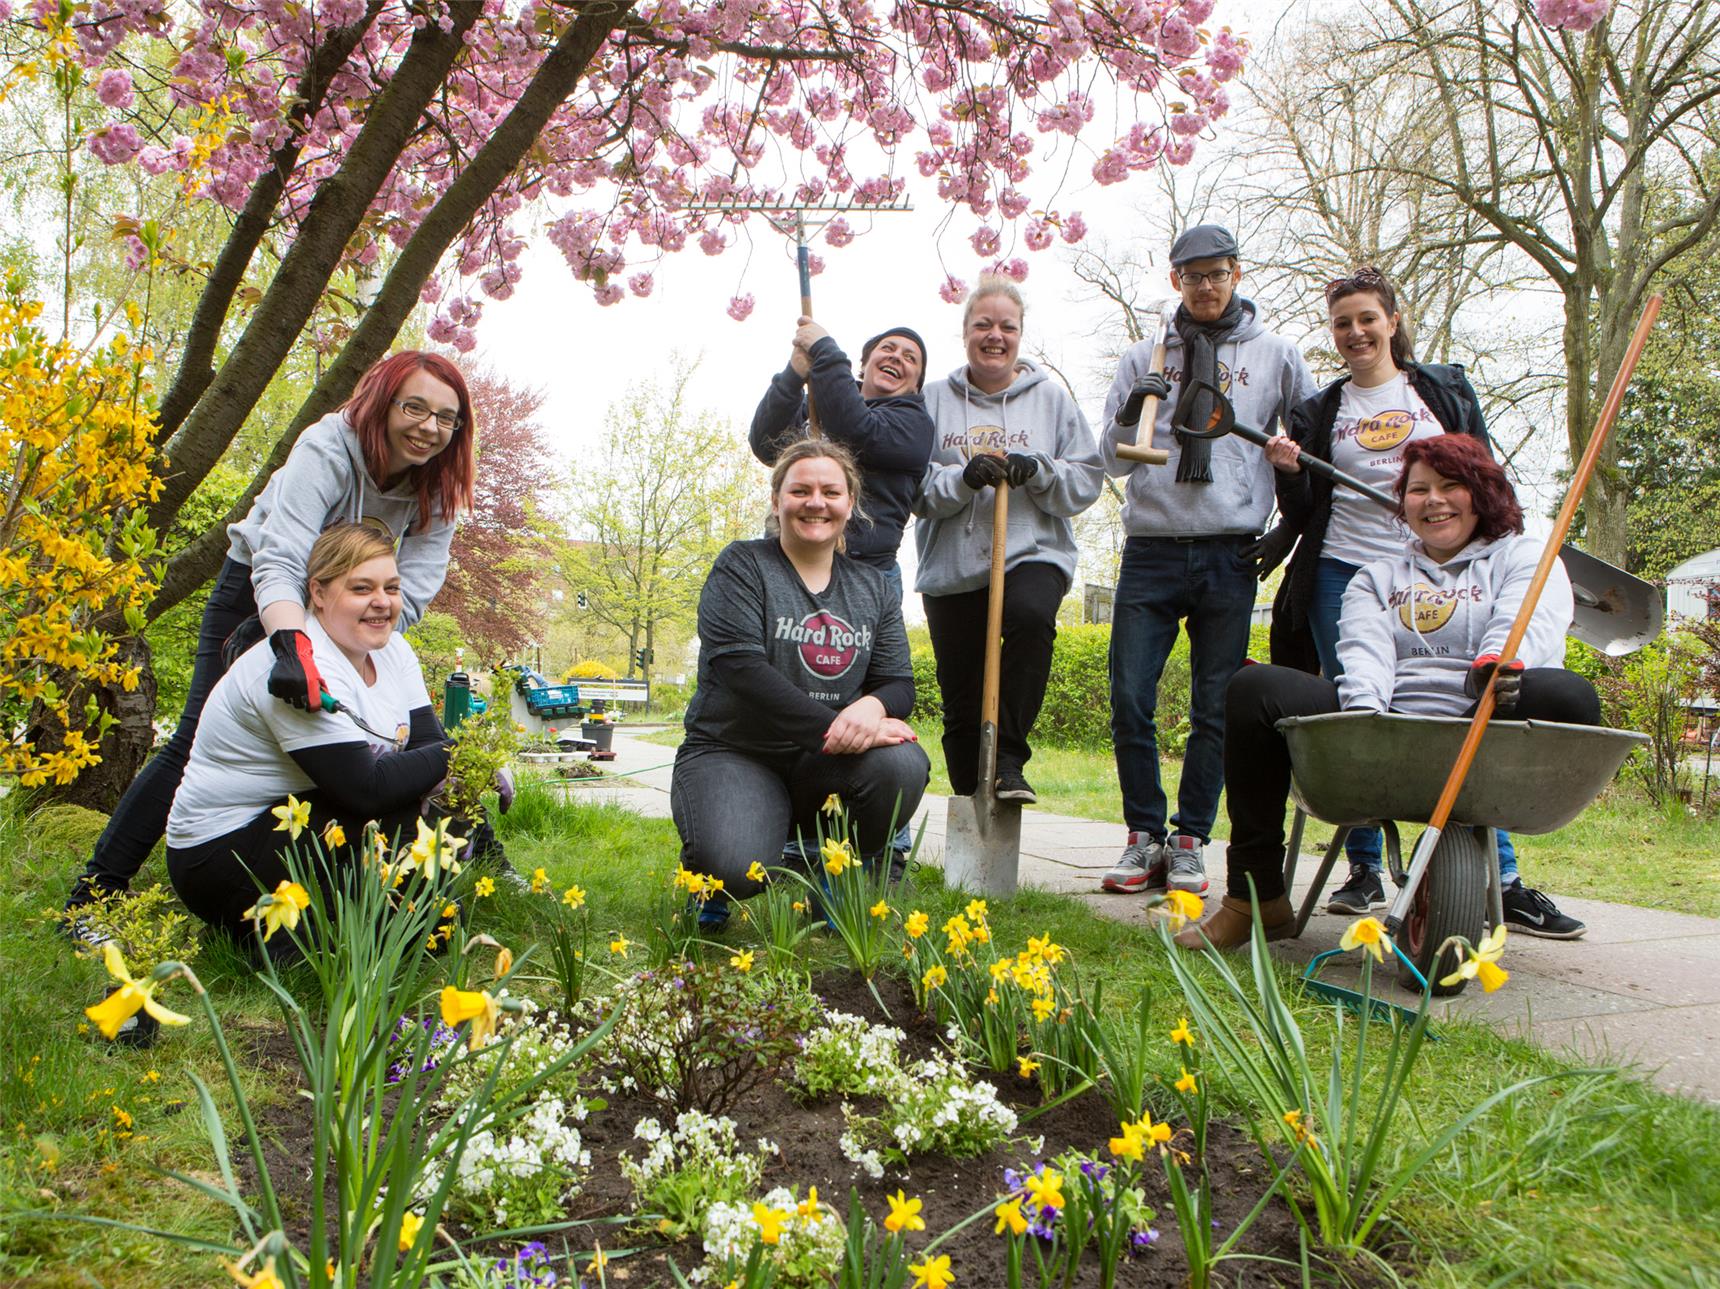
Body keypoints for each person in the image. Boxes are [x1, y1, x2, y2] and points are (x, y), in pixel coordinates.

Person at [68, 351, 474, 921]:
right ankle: (95, 893)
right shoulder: (329, 446)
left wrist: (359, 641)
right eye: (415, 407)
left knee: (377, 743)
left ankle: (432, 855)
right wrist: (292, 644)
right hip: (261, 589)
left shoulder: (440, 483)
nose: (430, 428)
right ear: (382, 402)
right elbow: (280, 558)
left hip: (346, 608)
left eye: (446, 417)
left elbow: (416, 586)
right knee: (191, 740)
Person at [1175, 435, 1602, 951]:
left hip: (1487, 715)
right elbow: (1364, 650)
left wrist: (1495, 666)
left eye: (1450, 486)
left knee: (1569, 695)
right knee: (1254, 686)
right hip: (1387, 721)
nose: (1433, 500)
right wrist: (1367, 720)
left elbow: (1524, 619)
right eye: (1418, 489)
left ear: (1483, 494)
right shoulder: (1379, 575)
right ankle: (1256, 898)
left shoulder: (1528, 557)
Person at [1265, 268, 1583, 937]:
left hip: (1448, 563)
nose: (1355, 333)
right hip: (1350, 569)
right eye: (1342, 323)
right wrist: (1289, 472)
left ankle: (1502, 875)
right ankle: (1363, 867)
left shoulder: (1435, 389)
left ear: (1392, 318)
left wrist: (1485, 533)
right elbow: (1302, 509)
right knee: (1362, 698)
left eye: (1366, 318)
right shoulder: (1323, 411)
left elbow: (1477, 469)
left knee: (1473, 701)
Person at [1098, 225, 1317, 897]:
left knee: (1214, 706)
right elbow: (1110, 455)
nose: (1206, 286)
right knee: (1130, 696)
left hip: (1230, 551)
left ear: (1237, 274)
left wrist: (1288, 531)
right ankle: (1144, 835)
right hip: (1152, 550)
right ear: (1175, 282)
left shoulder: (1277, 356)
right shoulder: (1144, 355)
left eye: (1218, 273)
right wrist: (1132, 410)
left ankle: (1191, 838)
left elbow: (1305, 448)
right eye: (1193, 276)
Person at [671, 440, 929, 912]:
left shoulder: (872, 586)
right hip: (735, 752)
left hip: (824, 763)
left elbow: (898, 683)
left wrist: (872, 709)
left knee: (903, 763)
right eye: (800, 490)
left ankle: (833, 879)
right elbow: (740, 669)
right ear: (777, 501)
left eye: (831, 491)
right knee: (735, 869)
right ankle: (711, 872)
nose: (816, 502)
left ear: (850, 504)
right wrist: (838, 729)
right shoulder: (743, 565)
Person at [166, 525, 455, 944]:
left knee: (429, 832)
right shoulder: (297, 670)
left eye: (391, 588)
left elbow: (428, 745)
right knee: (397, 811)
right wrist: (461, 754)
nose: (382, 602)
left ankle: (381, 924)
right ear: (318, 594)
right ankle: (284, 937)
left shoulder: (393, 651)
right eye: (361, 588)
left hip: (303, 813)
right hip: (220, 851)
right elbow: (366, 789)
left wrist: (446, 759)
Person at [915, 276, 1103, 803]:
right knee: (963, 696)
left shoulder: (1050, 400)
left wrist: (1039, 471)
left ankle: (1011, 762)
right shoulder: (932, 401)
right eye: (983, 324)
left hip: (1030, 550)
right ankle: (972, 804)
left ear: (1021, 335)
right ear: (965, 331)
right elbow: (914, 487)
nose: (995, 335)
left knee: (1029, 615)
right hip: (953, 563)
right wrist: (963, 478)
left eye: (1007, 326)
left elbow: (1087, 478)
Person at [749, 318, 934, 594]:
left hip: (865, 576)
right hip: (790, 565)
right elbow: (765, 444)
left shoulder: (914, 423)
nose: (896, 357)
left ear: (916, 385)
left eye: (910, 358)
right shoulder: (816, 407)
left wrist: (826, 350)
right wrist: (792, 375)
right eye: (888, 348)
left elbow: (856, 431)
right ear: (864, 364)